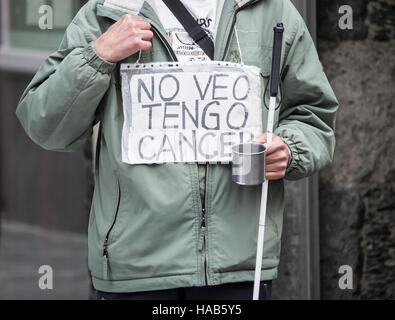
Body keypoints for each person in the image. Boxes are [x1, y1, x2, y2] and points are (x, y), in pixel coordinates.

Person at [16, 0, 338, 300]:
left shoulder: (273, 10)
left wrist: (290, 148)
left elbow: (313, 114)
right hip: (136, 268)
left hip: (239, 266)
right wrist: (97, 56)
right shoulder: (109, 10)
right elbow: (45, 125)